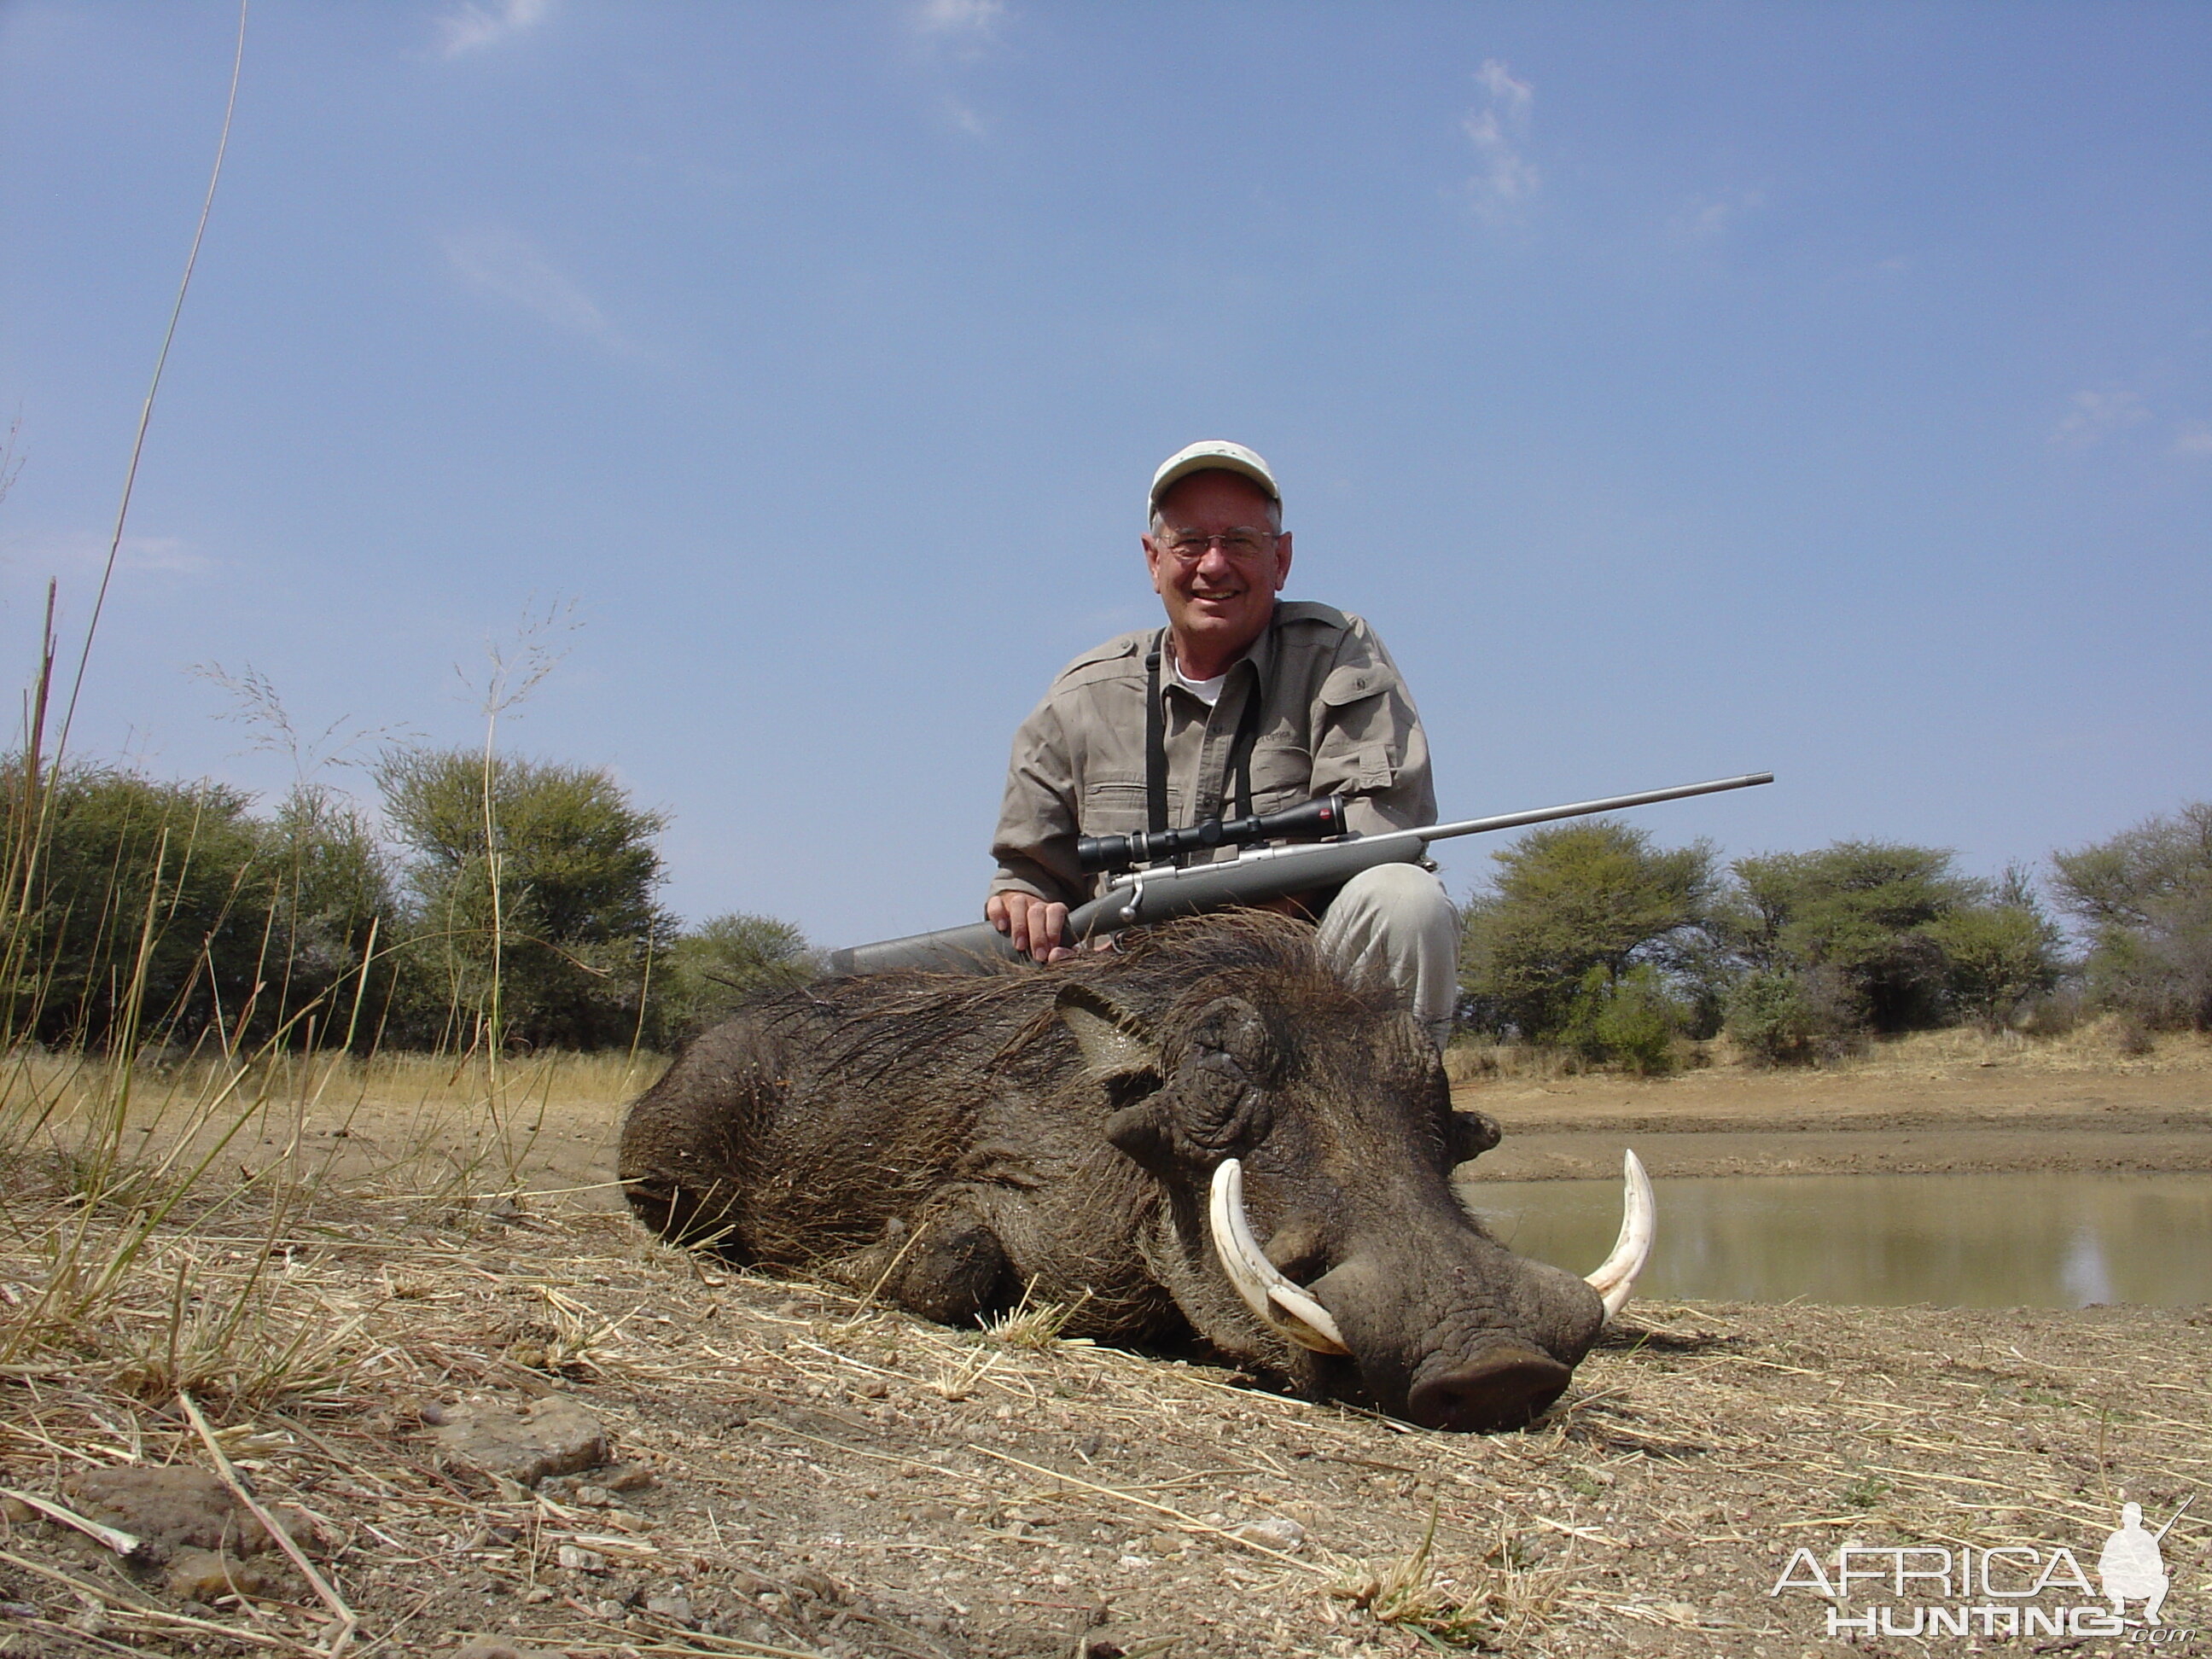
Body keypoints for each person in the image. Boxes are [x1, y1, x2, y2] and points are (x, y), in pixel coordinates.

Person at [984, 439, 1458, 1045]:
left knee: (1405, 899)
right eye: (1189, 543)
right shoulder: (1081, 693)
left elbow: (1375, 837)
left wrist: (1200, 954)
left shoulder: (1341, 652)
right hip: (1122, 1000)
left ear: (1281, 560)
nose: (1213, 565)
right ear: (1153, 560)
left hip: (1297, 998)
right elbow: (1028, 870)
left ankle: (1392, 1128)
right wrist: (1026, 900)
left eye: (1238, 541)